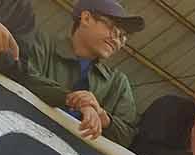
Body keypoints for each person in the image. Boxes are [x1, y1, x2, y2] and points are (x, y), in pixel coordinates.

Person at [18, 0, 142, 144]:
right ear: (86, 18)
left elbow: (127, 136)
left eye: (122, 37)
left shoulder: (118, 82)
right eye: (113, 29)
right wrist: (76, 101)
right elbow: (23, 75)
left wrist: (103, 116)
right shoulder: (42, 42)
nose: (117, 41)